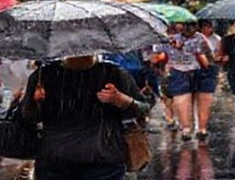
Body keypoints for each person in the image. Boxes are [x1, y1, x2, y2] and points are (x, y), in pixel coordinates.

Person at [21, 55, 150, 180]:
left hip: (101, 165)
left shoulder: (114, 73)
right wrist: (36, 101)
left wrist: (122, 100)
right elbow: (30, 116)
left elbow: (143, 109)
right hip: (59, 165)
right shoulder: (43, 76)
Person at [162, 22, 210, 141]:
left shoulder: (199, 38)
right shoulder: (170, 39)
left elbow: (206, 57)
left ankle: (188, 128)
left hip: (189, 71)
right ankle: (189, 128)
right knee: (184, 99)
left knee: (186, 99)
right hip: (180, 71)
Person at [195, 20, 223, 141]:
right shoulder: (195, 38)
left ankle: (202, 127)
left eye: (210, 27)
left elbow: (219, 54)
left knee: (205, 99)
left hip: (210, 68)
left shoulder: (217, 39)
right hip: (195, 69)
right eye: (205, 27)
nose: (208, 29)